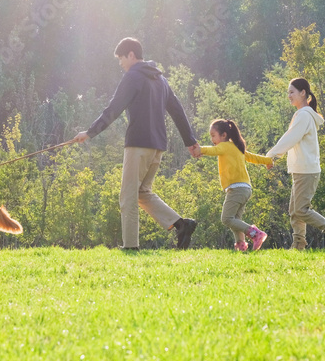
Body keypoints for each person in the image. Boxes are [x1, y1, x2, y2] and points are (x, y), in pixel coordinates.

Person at [71, 37, 201, 250]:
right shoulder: (161, 80)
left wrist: (90, 132)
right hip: (158, 146)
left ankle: (130, 246)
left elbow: (114, 108)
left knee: (128, 196)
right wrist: (190, 141)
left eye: (121, 58)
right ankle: (181, 224)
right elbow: (177, 111)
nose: (120, 63)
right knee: (142, 193)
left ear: (131, 55)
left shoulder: (133, 76)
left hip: (138, 144)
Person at [265, 77, 325, 251]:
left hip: (306, 171)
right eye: (288, 92)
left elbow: (291, 138)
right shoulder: (302, 114)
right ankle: (298, 245)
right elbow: (292, 138)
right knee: (294, 211)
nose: (289, 96)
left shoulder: (304, 115)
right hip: (301, 170)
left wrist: (272, 155)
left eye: (292, 92)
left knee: (301, 210)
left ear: (303, 93)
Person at [197, 119, 273, 251]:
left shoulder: (224, 146)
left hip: (236, 189)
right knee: (235, 220)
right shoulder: (237, 147)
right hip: (245, 188)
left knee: (226, 218)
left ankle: (255, 234)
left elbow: (213, 150)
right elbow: (252, 157)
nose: (212, 139)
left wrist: (199, 150)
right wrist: (267, 160)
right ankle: (241, 245)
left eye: (213, 135)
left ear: (224, 135)